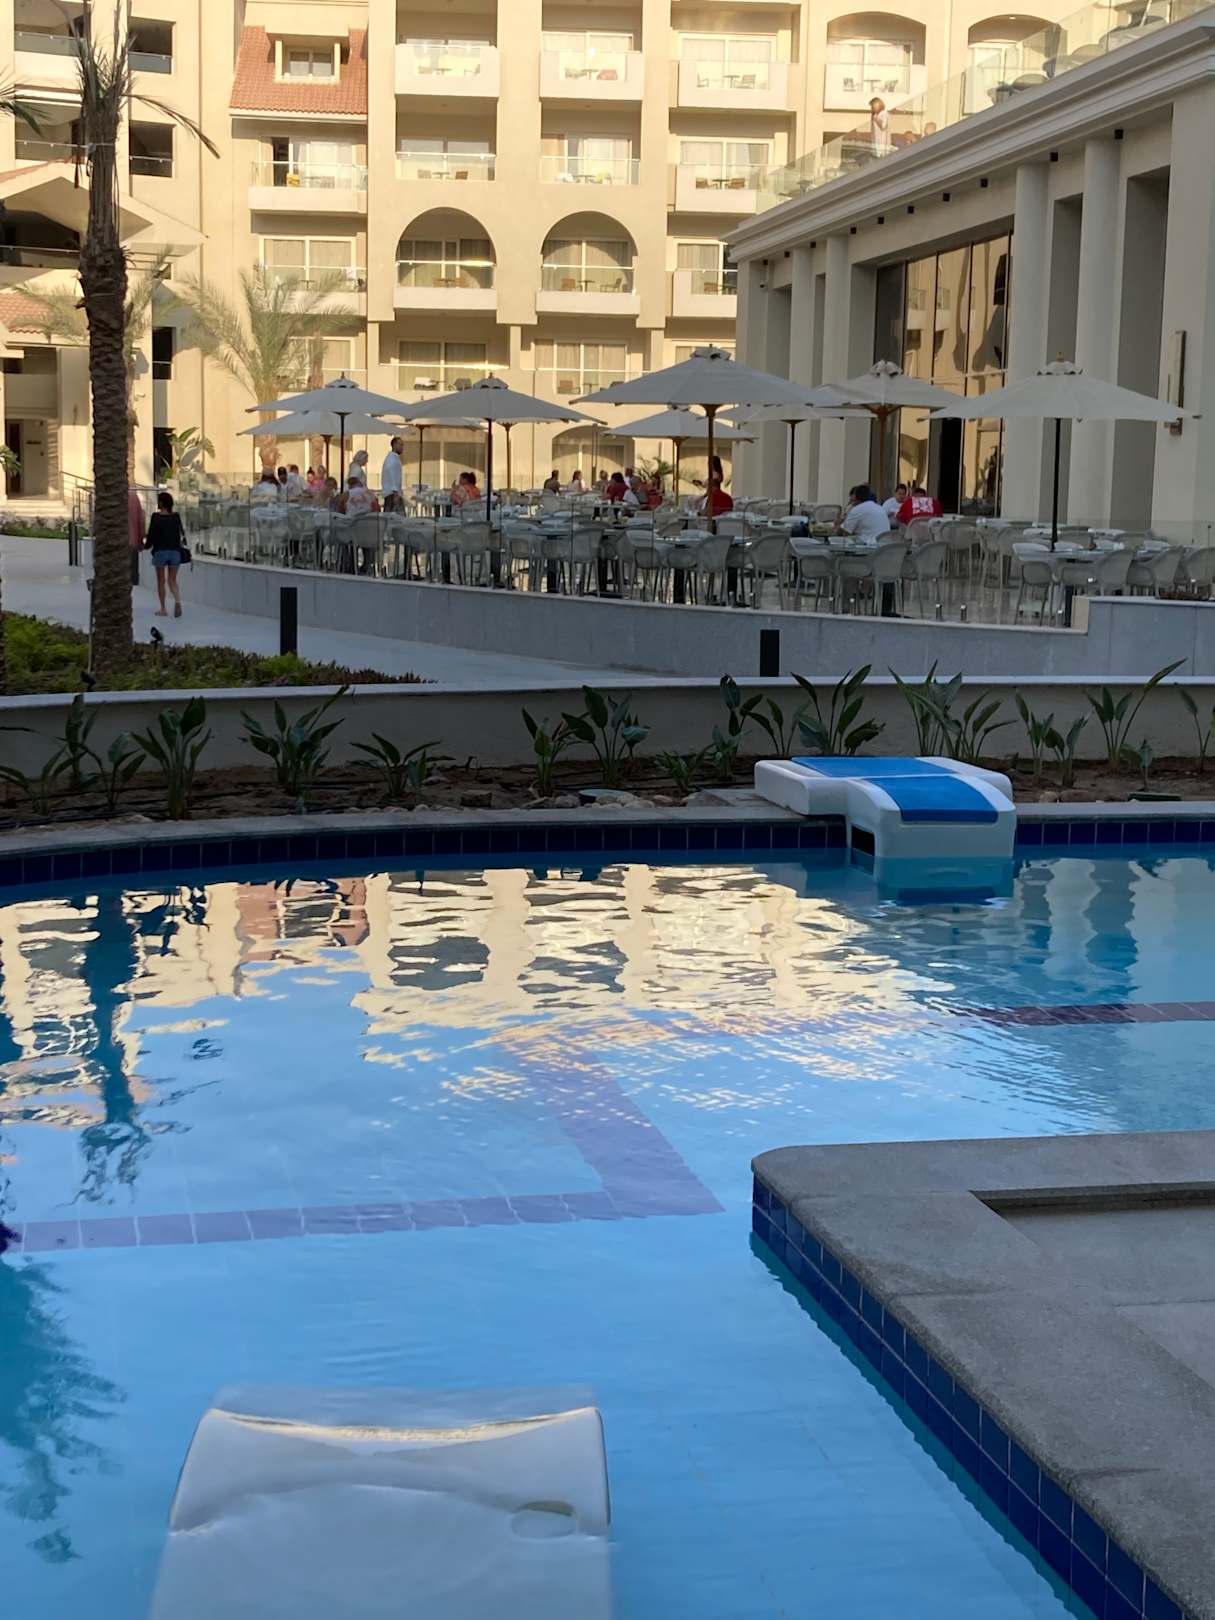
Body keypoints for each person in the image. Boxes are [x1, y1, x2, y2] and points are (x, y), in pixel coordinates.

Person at [144, 490, 188, 619]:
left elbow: (151, 536)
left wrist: (145, 546)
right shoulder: (176, 516)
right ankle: (177, 601)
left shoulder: (156, 517)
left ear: (162, 503)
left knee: (161, 581)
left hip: (160, 552)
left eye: (159, 501)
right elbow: (181, 533)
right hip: (175, 552)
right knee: (172, 580)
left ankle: (163, 609)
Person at [381, 436, 405, 512]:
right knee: (393, 516)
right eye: (400, 445)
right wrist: (396, 493)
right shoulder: (391, 459)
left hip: (394, 492)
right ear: (394, 445)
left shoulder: (394, 458)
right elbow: (392, 476)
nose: (402, 447)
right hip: (392, 493)